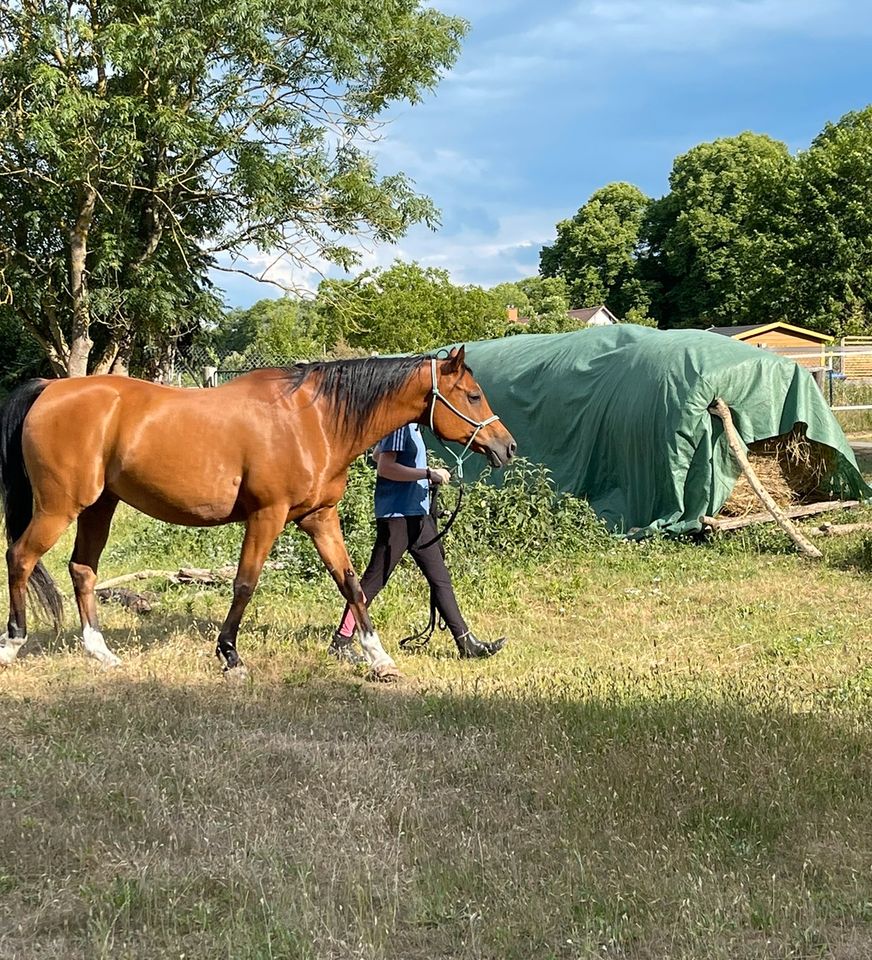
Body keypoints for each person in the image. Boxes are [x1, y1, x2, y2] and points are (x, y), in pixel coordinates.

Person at [330, 422, 507, 662]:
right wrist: (426, 473)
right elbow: (384, 467)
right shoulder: (401, 426)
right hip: (398, 516)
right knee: (373, 582)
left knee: (440, 579)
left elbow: (376, 452)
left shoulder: (412, 427)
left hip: (418, 515)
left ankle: (466, 643)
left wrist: (425, 476)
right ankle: (341, 641)